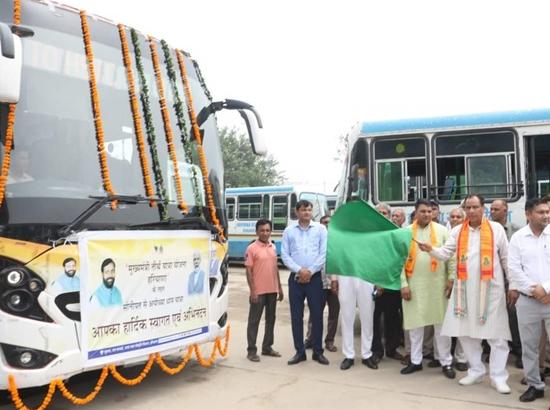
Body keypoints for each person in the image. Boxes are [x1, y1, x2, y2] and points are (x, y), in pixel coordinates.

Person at [418, 194, 512, 394]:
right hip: (465, 291)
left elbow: (506, 258)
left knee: (497, 336)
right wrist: (430, 250)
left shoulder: (496, 229)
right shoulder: (458, 230)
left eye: (475, 207)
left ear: (483, 208)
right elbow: (445, 253)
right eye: (467, 207)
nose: (471, 211)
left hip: (492, 291)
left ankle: (498, 376)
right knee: (466, 335)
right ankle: (476, 371)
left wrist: (512, 285)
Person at [400, 199, 455, 379]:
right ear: (415, 213)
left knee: (441, 326)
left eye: (429, 211)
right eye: (422, 211)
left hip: (438, 285)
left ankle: (446, 362)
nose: (426, 214)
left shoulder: (442, 231)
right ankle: (415, 361)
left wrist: (451, 279)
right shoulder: (406, 233)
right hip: (414, 285)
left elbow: (451, 257)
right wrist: (404, 284)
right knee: (416, 326)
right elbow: (398, 262)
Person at [508, 198, 550, 402]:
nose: (546, 216)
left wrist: (546, 288)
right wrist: (535, 291)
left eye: (547, 212)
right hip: (527, 301)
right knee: (530, 347)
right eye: (541, 212)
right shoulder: (517, 238)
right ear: (528, 214)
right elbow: (514, 270)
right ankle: (535, 385)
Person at [282, 199, 329, 365]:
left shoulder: (321, 229)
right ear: (297, 212)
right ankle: (299, 352)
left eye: (309, 210)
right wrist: (299, 270)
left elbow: (323, 253)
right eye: (303, 210)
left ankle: (318, 351)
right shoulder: (289, 231)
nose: (307, 212)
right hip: (295, 280)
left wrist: (310, 271)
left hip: (314, 279)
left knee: (317, 315)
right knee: (296, 317)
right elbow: (285, 255)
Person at [245, 219, 284, 362]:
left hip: (272, 290)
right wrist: (253, 291)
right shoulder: (251, 248)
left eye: (267, 230)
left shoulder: (273, 247)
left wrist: (279, 287)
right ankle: (251, 351)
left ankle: (267, 347)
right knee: (254, 321)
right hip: (258, 292)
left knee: (271, 320)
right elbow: (248, 271)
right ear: (257, 232)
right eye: (262, 230)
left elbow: (275, 269)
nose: (265, 233)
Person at [490, 199, 522, 369]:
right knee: (493, 316)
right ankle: (491, 351)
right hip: (492, 281)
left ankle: (518, 351)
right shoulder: (487, 230)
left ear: (505, 210)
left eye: (496, 209)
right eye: (491, 209)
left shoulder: (516, 230)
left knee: (514, 317)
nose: (493, 212)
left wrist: (514, 284)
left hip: (511, 281)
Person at [372, 202, 404, 362]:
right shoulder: (370, 234)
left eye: (385, 213)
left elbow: (400, 259)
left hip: (393, 282)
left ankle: (392, 348)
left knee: (393, 318)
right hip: (376, 283)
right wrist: (378, 282)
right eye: (379, 212)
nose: (382, 215)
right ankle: (377, 351)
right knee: (376, 318)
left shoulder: (397, 233)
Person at [305, 215, 340, 352]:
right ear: (320, 225)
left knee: (333, 314)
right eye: (325, 223)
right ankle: (310, 339)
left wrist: (336, 281)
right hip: (318, 284)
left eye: (330, 223)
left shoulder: (337, 243)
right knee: (314, 313)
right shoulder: (315, 241)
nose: (327, 225)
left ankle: (329, 341)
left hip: (334, 285)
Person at [447, 207, 469, 372]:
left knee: (462, 321)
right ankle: (444, 357)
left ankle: (461, 357)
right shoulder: (442, 232)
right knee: (445, 323)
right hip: (445, 283)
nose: (455, 219)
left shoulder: (469, 233)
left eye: (458, 217)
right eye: (452, 216)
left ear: (463, 219)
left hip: (464, 283)